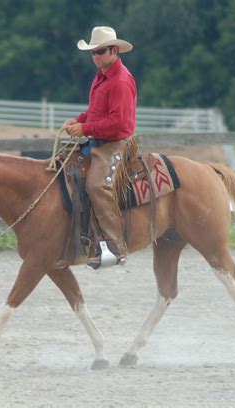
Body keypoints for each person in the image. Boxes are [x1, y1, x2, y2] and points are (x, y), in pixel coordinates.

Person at [64, 26, 137, 269]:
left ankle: (117, 248)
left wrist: (84, 129)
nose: (95, 56)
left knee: (97, 185)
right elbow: (97, 111)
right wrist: (80, 120)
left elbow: (118, 122)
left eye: (100, 51)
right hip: (99, 138)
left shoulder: (120, 80)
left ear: (114, 50)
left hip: (116, 143)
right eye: (93, 52)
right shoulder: (102, 75)